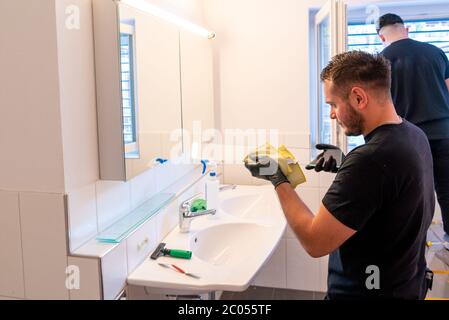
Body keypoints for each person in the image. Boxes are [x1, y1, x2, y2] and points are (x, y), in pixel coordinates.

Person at [245, 51, 434, 299]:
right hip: (405, 284)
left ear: (358, 97)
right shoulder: (413, 134)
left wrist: (278, 179)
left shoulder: (370, 160)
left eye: (333, 104)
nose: (332, 114)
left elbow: (315, 242)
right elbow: (393, 194)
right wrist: (346, 164)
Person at [376, 13, 449, 236]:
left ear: (381, 36)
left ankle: (414, 244)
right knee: (447, 189)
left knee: (412, 193)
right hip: (445, 134)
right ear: (405, 29)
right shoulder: (435, 52)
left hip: (408, 138)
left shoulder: (380, 61)